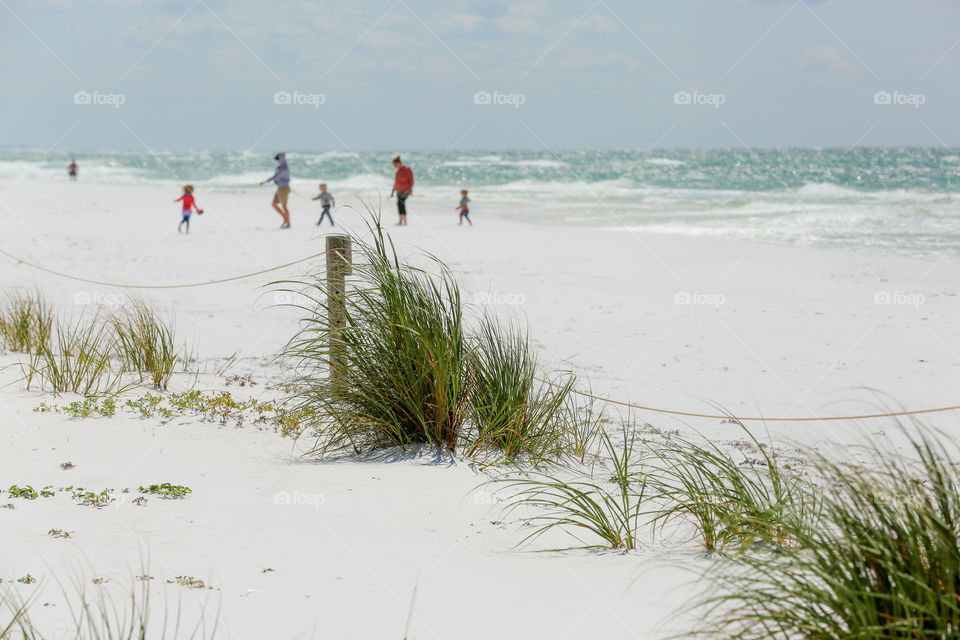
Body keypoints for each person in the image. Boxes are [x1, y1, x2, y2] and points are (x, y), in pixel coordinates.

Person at [259, 152, 291, 228]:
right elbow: (276, 176)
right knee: (274, 204)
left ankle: (288, 223)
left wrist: (265, 181)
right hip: (280, 188)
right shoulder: (280, 167)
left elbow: (276, 176)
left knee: (284, 206)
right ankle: (285, 219)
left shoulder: (284, 168)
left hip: (284, 188)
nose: (277, 160)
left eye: (278, 159)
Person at [390, 155, 414, 226]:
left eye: (395, 164)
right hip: (398, 191)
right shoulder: (397, 172)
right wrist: (392, 192)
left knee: (401, 202)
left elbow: (411, 180)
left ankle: (404, 221)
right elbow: (395, 182)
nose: (395, 166)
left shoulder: (407, 169)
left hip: (405, 190)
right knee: (399, 204)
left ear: (399, 163)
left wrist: (410, 190)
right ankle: (401, 220)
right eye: (394, 165)